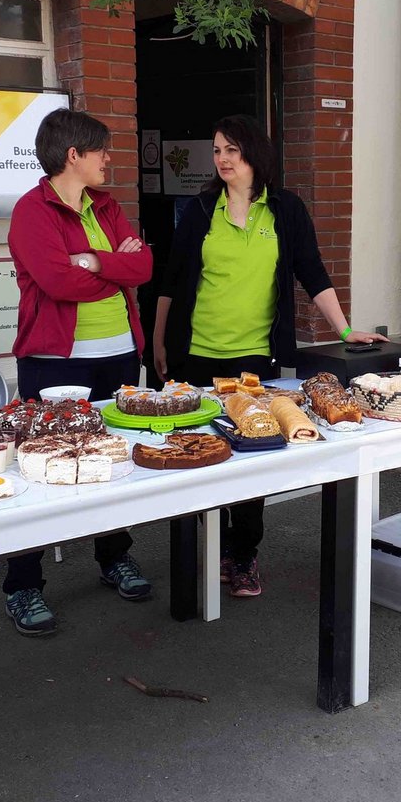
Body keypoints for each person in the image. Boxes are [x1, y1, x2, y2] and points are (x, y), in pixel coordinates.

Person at [152, 114, 386, 598]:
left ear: (256, 155)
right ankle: (199, 550)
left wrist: (344, 328)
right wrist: (157, 342)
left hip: (254, 362)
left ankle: (242, 555)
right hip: (194, 356)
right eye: (217, 151)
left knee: (254, 459)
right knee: (196, 456)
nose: (223, 160)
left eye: (232, 151)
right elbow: (171, 281)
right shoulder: (198, 210)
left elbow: (313, 273)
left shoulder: (285, 210)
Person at [3, 108, 155, 636]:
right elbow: (58, 283)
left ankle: (115, 557)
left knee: (112, 461)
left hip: (118, 356)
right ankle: (23, 585)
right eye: (102, 151)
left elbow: (146, 267)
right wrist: (113, 267)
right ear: (74, 154)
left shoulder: (105, 207)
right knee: (41, 469)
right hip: (54, 362)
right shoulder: (32, 212)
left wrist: (94, 262)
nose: (108, 159)